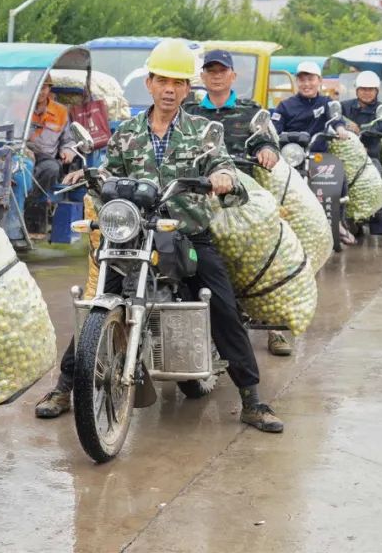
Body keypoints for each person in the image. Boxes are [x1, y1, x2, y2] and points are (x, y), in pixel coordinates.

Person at [34, 38, 284, 434]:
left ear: (188, 89)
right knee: (104, 297)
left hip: (187, 235)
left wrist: (222, 177)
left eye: (178, 82)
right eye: (162, 80)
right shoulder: (127, 132)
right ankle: (67, 387)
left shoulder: (205, 131)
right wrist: (91, 176)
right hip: (135, 235)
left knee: (222, 305)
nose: (170, 89)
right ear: (149, 83)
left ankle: (252, 399)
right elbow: (109, 177)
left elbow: (225, 169)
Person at [184, 49, 289, 357]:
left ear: (233, 76)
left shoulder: (249, 109)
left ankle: (275, 324)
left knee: (267, 248)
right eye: (210, 70)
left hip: (241, 193)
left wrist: (267, 150)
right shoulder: (188, 111)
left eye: (222, 70)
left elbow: (266, 138)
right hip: (195, 193)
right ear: (202, 76)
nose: (216, 75)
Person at [272, 60, 355, 245]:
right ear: (297, 82)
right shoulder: (285, 106)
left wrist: (340, 129)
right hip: (291, 157)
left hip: (317, 155)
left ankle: (338, 222)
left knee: (338, 173)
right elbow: (274, 129)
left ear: (319, 81)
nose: (306, 84)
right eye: (302, 80)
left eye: (310, 79)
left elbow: (336, 118)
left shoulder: (326, 103)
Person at [340, 71, 382, 250]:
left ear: (376, 91)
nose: (367, 93)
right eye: (363, 89)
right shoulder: (345, 106)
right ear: (356, 90)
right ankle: (340, 225)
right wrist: (343, 125)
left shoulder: (381, 109)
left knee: (378, 180)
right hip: (347, 158)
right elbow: (332, 116)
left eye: (370, 90)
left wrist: (362, 129)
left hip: (370, 157)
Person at [24, 79, 77, 236]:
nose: (40, 91)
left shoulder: (60, 111)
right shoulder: (20, 107)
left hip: (46, 157)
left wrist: (68, 151)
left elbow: (69, 140)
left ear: (49, 90)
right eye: (37, 87)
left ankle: (32, 206)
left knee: (51, 169)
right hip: (23, 152)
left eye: (44, 88)